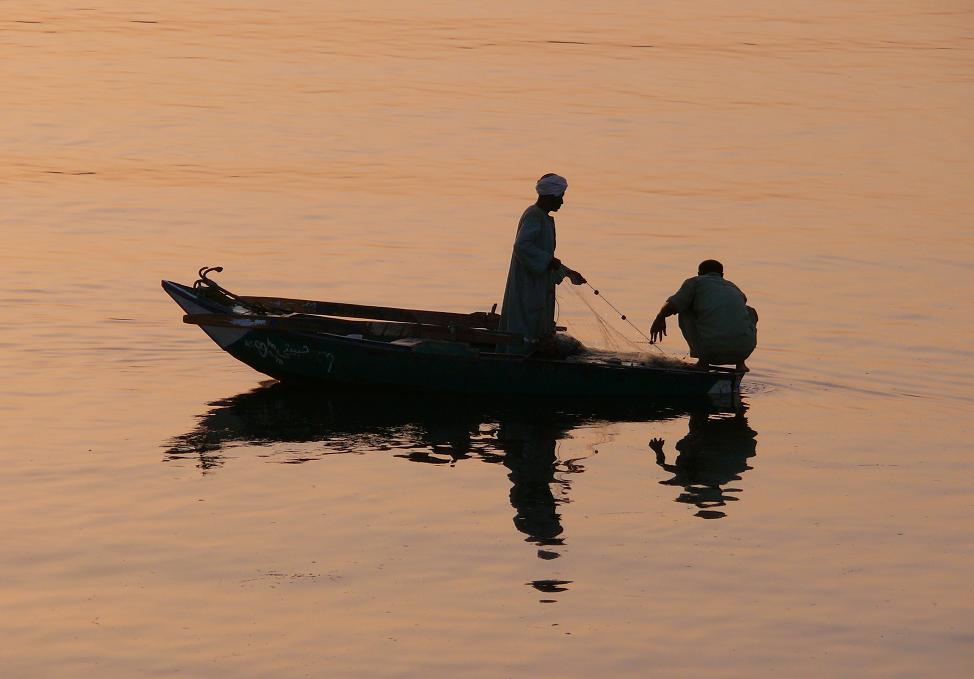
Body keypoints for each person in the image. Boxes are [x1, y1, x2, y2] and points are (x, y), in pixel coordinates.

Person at [498, 173, 586, 354]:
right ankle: (518, 356)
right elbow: (521, 246)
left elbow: (545, 258)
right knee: (526, 324)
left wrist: (567, 272)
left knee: (536, 324)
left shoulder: (542, 217)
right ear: (549, 197)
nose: (562, 202)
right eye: (560, 198)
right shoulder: (533, 215)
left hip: (537, 285)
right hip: (527, 287)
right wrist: (548, 261)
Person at [649, 259, 758, 371]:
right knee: (750, 311)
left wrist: (660, 317)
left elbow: (673, 305)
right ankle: (740, 364)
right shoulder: (733, 287)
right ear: (722, 275)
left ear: (699, 274)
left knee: (684, 307)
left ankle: (703, 362)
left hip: (711, 350)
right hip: (743, 350)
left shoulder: (695, 282)